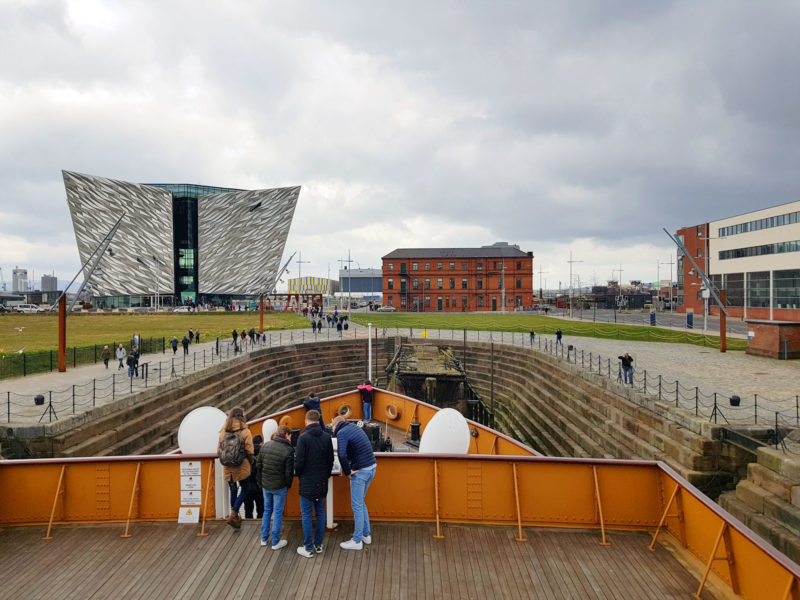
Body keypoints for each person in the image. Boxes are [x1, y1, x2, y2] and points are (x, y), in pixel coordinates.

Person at [332, 415, 376, 550]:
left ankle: (357, 541)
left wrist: (347, 471)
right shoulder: (353, 427)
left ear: (335, 424)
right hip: (372, 467)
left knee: (356, 505)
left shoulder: (341, 432)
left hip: (360, 471)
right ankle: (366, 535)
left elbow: (342, 454)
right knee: (361, 502)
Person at [295, 410, 334, 558]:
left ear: (306, 421)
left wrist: (299, 474)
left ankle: (308, 547)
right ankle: (319, 545)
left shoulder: (303, 438)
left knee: (306, 515)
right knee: (320, 513)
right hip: (322, 482)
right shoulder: (326, 437)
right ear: (318, 421)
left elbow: (299, 463)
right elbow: (330, 461)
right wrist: (325, 475)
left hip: (307, 482)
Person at [255, 425, 295, 549]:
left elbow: (259, 466)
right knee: (277, 512)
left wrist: (260, 482)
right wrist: (287, 485)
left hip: (266, 485)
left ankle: (263, 538)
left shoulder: (265, 446)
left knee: (267, 511)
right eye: (290, 436)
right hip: (279, 486)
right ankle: (275, 541)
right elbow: (289, 473)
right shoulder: (288, 450)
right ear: (287, 435)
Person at [218, 407, 255, 529]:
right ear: (241, 417)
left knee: (233, 490)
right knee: (245, 489)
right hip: (241, 467)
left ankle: (235, 517)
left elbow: (219, 451)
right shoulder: (245, 431)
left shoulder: (223, 431)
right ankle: (234, 513)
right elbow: (249, 450)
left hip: (228, 468)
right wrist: (251, 462)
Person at [244, 435, 264, 520]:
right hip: (259, 484)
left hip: (248, 483)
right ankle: (260, 522)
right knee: (261, 508)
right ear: (261, 443)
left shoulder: (246, 452)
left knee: (248, 509)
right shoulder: (263, 452)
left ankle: (248, 521)